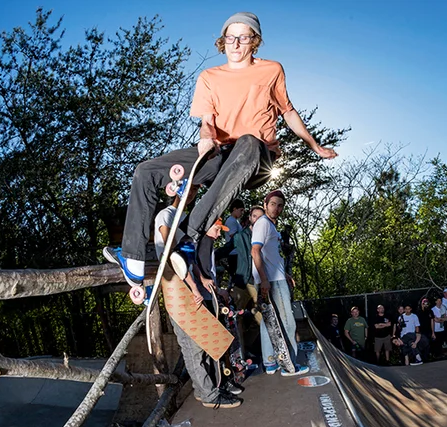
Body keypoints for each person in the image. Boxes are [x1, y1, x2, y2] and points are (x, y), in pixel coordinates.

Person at [103, 12, 337, 293]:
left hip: (257, 157)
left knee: (248, 140)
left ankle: (188, 236)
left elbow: (288, 111)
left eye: (244, 37)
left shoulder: (271, 70)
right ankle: (134, 259)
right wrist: (205, 139)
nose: (236, 44)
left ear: (254, 42)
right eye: (230, 38)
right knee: (146, 171)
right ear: (222, 41)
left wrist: (314, 145)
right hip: (222, 152)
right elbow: (207, 122)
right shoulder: (209, 77)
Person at [251, 190, 309, 376]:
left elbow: (271, 257)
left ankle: (270, 363)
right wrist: (266, 280)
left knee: (268, 322)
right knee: (287, 322)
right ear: (266, 204)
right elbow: (255, 251)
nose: (276, 208)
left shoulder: (270, 226)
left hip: (275, 277)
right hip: (272, 282)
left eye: (280, 205)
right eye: (273, 204)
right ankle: (289, 365)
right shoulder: (263, 224)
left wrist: (285, 274)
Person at [223, 199, 245, 288]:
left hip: (237, 252)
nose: (242, 213)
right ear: (234, 209)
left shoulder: (236, 221)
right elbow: (234, 236)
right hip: (233, 253)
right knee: (235, 278)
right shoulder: (231, 221)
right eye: (241, 210)